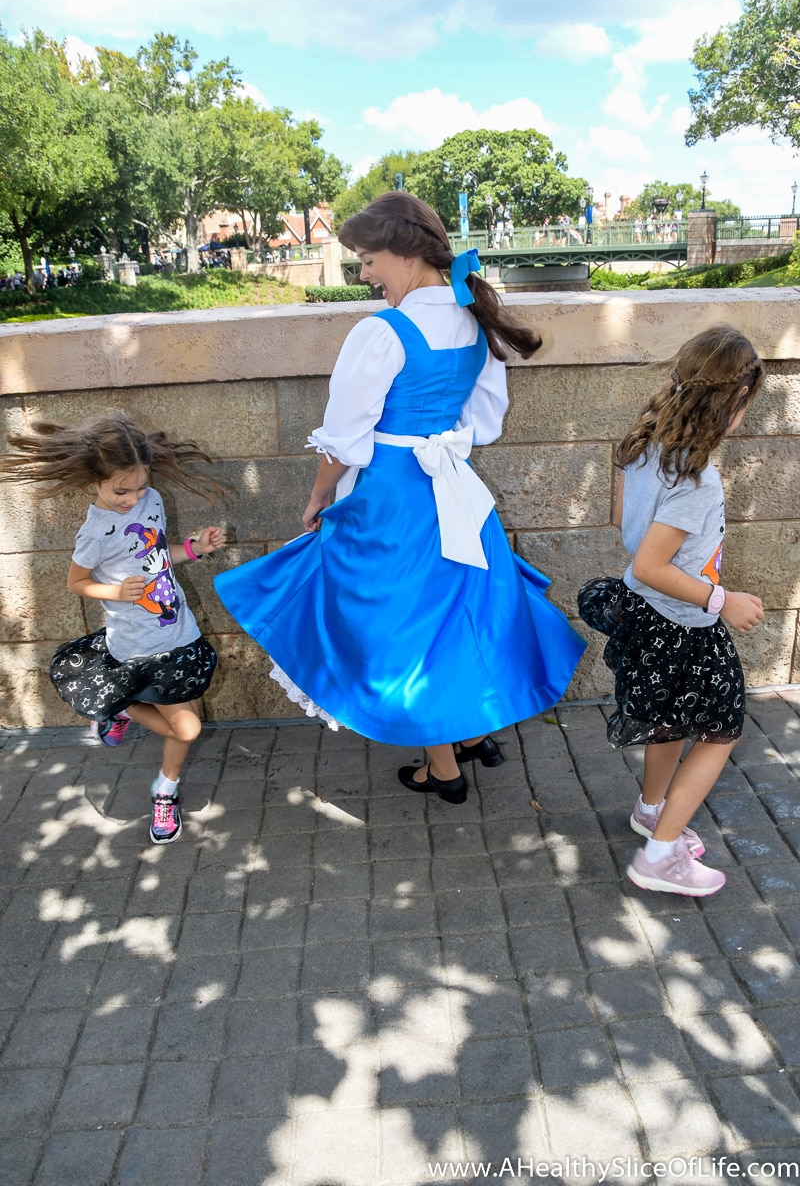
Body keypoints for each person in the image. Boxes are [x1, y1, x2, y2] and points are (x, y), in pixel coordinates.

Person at [215, 192, 586, 805]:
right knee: (460, 615)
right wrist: (441, 441)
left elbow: (344, 438)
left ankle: (442, 769)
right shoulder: (473, 321)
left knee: (404, 627)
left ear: (407, 253)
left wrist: (316, 498)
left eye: (367, 259)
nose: (364, 274)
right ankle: (472, 736)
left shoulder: (382, 332)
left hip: (391, 500)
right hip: (454, 495)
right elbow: (484, 420)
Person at [578, 324, 765, 896]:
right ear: (734, 400)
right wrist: (721, 599)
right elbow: (648, 567)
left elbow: (622, 526)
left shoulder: (644, 446)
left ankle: (652, 810)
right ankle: (660, 858)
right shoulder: (698, 479)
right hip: (685, 624)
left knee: (672, 717)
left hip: (650, 617)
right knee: (721, 732)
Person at [0, 414, 226, 844]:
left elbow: (160, 556)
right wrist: (117, 592)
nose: (132, 498)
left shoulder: (153, 501)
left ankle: (166, 789)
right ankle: (118, 708)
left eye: (139, 486)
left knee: (187, 724)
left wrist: (196, 548)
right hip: (136, 646)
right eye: (121, 490)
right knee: (188, 728)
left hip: (179, 635)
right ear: (96, 481)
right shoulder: (95, 533)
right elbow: (76, 583)